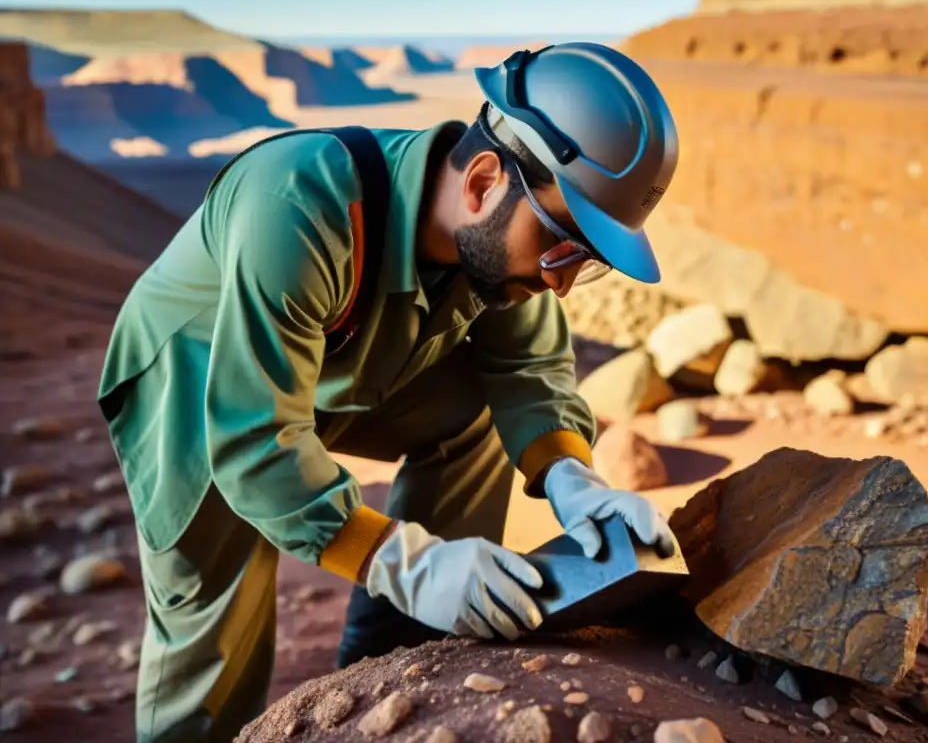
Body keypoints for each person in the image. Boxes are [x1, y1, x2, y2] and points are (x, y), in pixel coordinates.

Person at [96, 41, 680, 743]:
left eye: (584, 263)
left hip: (344, 368)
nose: (560, 280)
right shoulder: (299, 204)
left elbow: (529, 371)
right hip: (197, 382)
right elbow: (256, 442)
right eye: (561, 245)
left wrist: (571, 478)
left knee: (483, 415)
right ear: (484, 180)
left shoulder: (498, 242)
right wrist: (403, 563)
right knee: (213, 624)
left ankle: (394, 665)